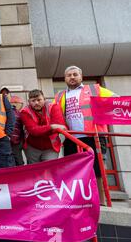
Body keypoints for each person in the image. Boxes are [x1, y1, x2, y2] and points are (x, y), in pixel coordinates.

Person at [54, 65, 116, 204]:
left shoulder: (94, 89)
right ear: (65, 78)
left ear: (81, 76)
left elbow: (116, 101)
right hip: (71, 139)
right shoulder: (59, 96)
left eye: (75, 74)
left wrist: (103, 112)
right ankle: (78, 202)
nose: (72, 77)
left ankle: (101, 203)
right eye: (69, 75)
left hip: (93, 136)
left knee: (97, 170)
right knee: (74, 171)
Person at [21, 90, 66, 164]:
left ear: (44, 99)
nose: (36, 103)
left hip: (51, 147)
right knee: (35, 171)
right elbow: (33, 131)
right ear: (29, 102)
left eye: (39, 100)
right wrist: (52, 127)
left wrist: (42, 130)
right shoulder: (25, 112)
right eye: (33, 101)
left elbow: (59, 127)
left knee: (49, 169)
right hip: (32, 147)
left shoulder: (53, 107)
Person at [10, 95, 25, 166]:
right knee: (19, 161)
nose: (21, 106)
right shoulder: (17, 113)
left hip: (9, 141)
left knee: (11, 161)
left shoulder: (7, 112)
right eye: (20, 104)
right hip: (15, 141)